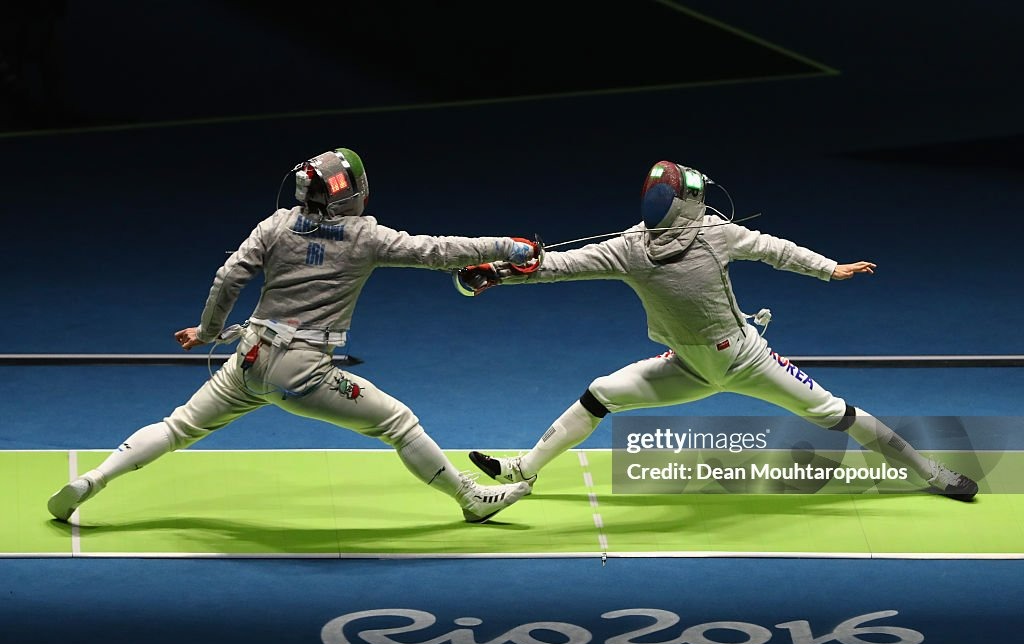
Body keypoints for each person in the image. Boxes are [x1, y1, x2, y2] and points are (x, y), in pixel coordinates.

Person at [48, 147, 536, 524]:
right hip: (305, 371)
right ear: (352, 193)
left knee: (177, 427)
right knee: (399, 423)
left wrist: (209, 331)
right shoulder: (367, 236)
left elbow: (228, 277)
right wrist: (507, 247)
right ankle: (470, 500)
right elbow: (439, 251)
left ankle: (94, 479)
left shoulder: (276, 225)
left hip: (247, 358)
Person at [458, 159, 979, 501]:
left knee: (839, 414)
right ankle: (523, 470)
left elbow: (773, 248)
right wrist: (501, 272)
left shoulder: (717, 234)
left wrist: (828, 267)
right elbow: (560, 265)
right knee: (599, 395)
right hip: (685, 365)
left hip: (748, 360)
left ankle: (929, 472)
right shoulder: (629, 248)